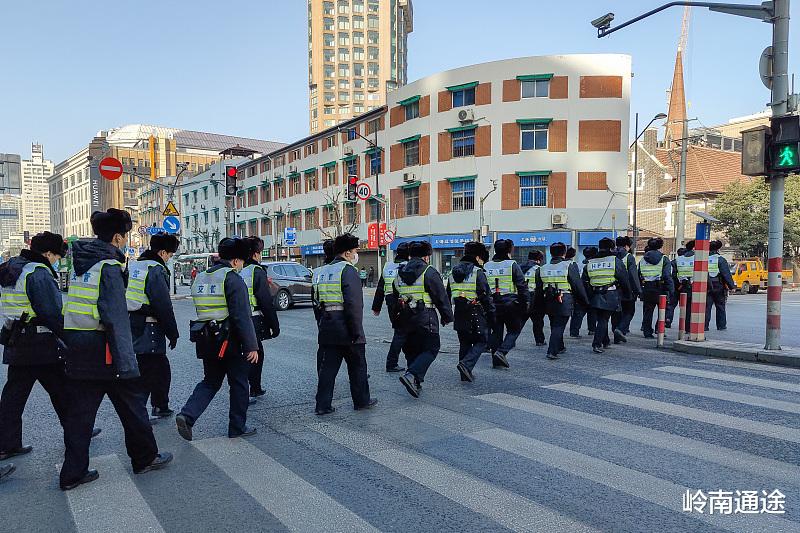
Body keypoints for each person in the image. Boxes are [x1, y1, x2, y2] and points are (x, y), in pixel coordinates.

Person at [60, 209, 172, 491]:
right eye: (126, 236)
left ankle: (72, 473)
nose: (126, 241)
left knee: (80, 415)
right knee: (133, 405)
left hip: (79, 346)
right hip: (105, 350)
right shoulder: (108, 266)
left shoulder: (81, 265)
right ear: (117, 237)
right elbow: (115, 318)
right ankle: (145, 459)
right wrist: (127, 362)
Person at [0, 232, 75, 462]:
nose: (56, 261)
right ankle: (76, 433)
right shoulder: (38, 273)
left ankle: (7, 444)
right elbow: (52, 313)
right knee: (62, 391)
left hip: (16, 340)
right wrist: (71, 339)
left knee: (13, 397)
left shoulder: (12, 267)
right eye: (55, 256)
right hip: (40, 344)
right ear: (46, 253)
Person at [177, 237, 260, 441]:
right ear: (235, 261)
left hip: (206, 338)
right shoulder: (232, 278)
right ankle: (237, 427)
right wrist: (252, 346)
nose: (241, 266)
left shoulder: (201, 277)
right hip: (230, 340)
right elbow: (241, 315)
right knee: (239, 383)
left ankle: (187, 415)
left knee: (210, 381)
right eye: (241, 262)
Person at [313, 233, 376, 415]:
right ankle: (361, 401)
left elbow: (316, 304)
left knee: (328, 369)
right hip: (347, 328)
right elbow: (354, 304)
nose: (356, 254)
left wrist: (322, 323)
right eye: (355, 250)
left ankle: (322, 405)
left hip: (327, 326)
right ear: (348, 252)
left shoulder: (320, 272)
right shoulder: (348, 271)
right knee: (357, 367)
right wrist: (357, 331)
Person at [125, 232, 180, 419]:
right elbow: (163, 305)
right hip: (150, 327)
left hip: (134, 322)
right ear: (163, 252)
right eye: (170, 255)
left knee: (155, 367)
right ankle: (141, 410)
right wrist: (173, 333)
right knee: (152, 370)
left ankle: (160, 405)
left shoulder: (134, 265)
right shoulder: (155, 269)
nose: (169, 258)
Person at [393, 241, 453, 398]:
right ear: (426, 256)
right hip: (425, 317)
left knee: (412, 350)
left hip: (405, 317)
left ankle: (415, 383)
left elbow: (394, 297)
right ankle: (411, 375)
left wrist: (395, 320)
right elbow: (440, 296)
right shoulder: (429, 272)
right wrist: (446, 316)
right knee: (432, 348)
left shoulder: (399, 272)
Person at [447, 242, 495, 382]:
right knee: (482, 341)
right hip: (476, 311)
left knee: (464, 342)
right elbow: (486, 296)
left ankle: (464, 373)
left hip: (460, 311)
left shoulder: (452, 272)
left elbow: (447, 294)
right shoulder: (477, 272)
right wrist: (492, 314)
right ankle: (466, 365)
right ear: (478, 257)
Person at [240, 236, 280, 398]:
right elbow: (265, 301)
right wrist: (274, 325)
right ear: (257, 253)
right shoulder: (257, 271)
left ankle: (253, 387)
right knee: (255, 353)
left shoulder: (238, 268)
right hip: (253, 319)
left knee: (250, 352)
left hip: (236, 318)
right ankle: (251, 388)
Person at [536, 242, 589, 360]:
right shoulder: (568, 265)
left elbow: (538, 289)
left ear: (550, 253)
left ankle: (560, 346)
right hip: (564, 299)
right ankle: (552, 351)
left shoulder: (542, 268)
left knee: (554, 323)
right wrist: (584, 301)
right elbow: (577, 285)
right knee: (559, 326)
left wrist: (539, 306)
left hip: (548, 300)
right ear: (564, 253)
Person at [483, 239, 529, 368]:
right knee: (514, 329)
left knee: (496, 331)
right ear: (509, 250)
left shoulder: (487, 266)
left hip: (492, 303)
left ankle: (496, 359)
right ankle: (502, 352)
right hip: (510, 303)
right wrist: (525, 302)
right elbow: (521, 285)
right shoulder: (512, 264)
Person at [582, 237, 631, 353]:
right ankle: (597, 344)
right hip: (609, 294)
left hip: (594, 294)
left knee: (601, 318)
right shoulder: (614, 260)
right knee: (604, 319)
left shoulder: (591, 262)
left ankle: (605, 341)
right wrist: (628, 293)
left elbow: (584, 280)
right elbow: (624, 278)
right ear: (611, 248)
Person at [371, 242, 411, 372]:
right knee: (401, 333)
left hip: (390, 303)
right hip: (404, 302)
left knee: (401, 331)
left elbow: (380, 287)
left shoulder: (388, 266)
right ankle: (392, 363)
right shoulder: (408, 266)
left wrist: (376, 307)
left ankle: (408, 359)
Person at [638, 238, 675, 338]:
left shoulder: (642, 260)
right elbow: (667, 276)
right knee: (663, 310)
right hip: (660, 288)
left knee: (648, 311)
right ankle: (659, 329)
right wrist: (671, 290)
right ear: (660, 247)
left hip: (646, 288)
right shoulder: (664, 259)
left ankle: (647, 332)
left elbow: (638, 274)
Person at [610, 236, 642, 343]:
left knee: (616, 312)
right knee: (629, 311)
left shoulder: (611, 256)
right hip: (627, 289)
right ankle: (620, 329)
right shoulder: (628, 257)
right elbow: (633, 275)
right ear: (627, 246)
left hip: (613, 289)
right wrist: (638, 290)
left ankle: (615, 334)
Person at [313, 239, 335, 373]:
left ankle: (321, 373)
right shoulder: (343, 269)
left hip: (322, 315)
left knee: (323, 346)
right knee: (350, 348)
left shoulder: (317, 272)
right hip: (340, 316)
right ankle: (358, 374)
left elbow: (314, 297)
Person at [705, 240, 736, 331]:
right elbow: (726, 274)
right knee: (720, 306)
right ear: (718, 249)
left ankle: (704, 326)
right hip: (718, 285)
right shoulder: (720, 260)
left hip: (706, 285)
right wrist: (731, 286)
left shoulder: (704, 258)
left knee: (707, 307)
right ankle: (721, 326)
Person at [519, 250, 546, 347]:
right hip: (535, 298)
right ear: (539, 259)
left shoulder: (519, 268)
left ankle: (511, 339)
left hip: (522, 297)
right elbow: (541, 286)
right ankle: (540, 340)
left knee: (520, 320)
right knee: (538, 321)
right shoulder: (538, 269)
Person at [570, 247, 597, 337]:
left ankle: (574, 332)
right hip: (592, 290)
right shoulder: (595, 265)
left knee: (579, 312)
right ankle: (592, 329)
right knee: (592, 311)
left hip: (580, 291)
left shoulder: (578, 264)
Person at [675, 240, 696, 333]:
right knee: (690, 308)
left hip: (682, 286)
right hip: (693, 286)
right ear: (694, 248)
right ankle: (688, 328)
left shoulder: (679, 259)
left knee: (683, 307)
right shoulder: (697, 258)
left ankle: (682, 327)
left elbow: (674, 273)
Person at [665, 246, 686, 328]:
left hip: (674, 286)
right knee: (684, 306)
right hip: (684, 286)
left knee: (671, 305)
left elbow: (670, 275)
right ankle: (684, 324)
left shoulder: (673, 262)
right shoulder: (688, 263)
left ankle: (668, 321)